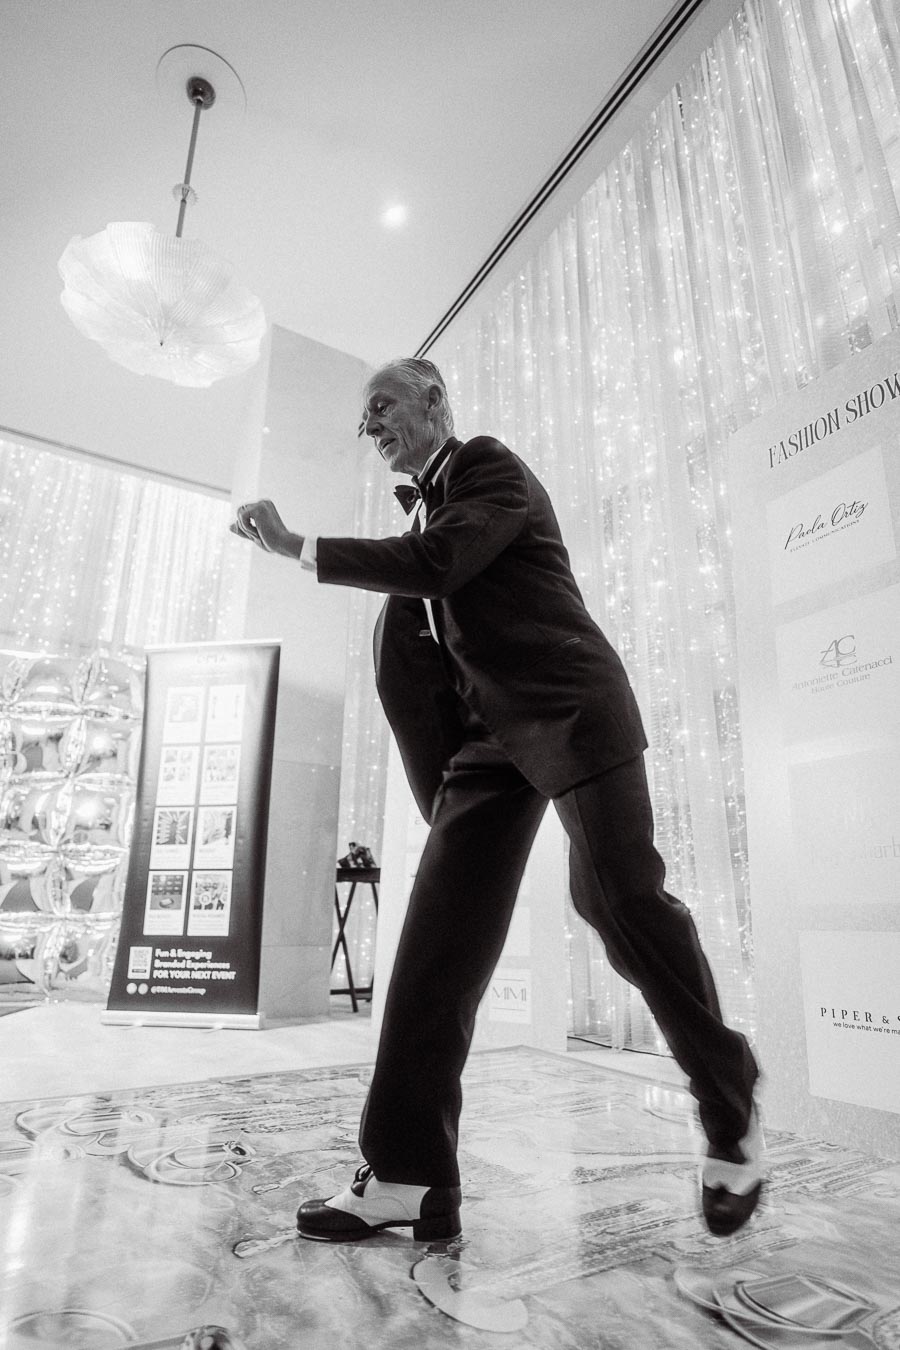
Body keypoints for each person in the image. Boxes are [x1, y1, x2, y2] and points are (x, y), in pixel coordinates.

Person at [231, 357, 764, 1244]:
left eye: (383, 407)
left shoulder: (489, 469)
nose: (373, 429)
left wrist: (298, 547)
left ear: (435, 400)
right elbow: (420, 682)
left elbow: (439, 563)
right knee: (436, 943)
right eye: (365, 422)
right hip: (487, 750)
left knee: (617, 902)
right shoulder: (419, 537)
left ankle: (729, 1094)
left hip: (570, 708)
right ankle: (407, 1173)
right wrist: (448, 815)